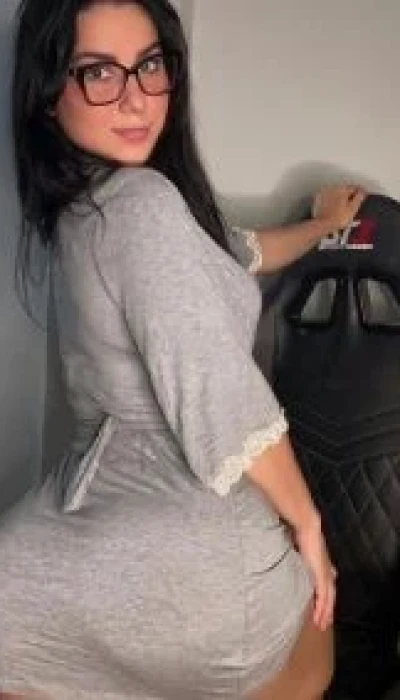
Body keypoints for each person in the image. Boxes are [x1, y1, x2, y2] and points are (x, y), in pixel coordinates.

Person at [0, 0, 363, 698]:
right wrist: (311, 527)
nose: (135, 97)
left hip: (184, 550)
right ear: (48, 95)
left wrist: (321, 227)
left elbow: (238, 252)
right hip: (201, 556)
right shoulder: (132, 205)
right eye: (98, 72)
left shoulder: (119, 204)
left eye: (149, 66)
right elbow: (227, 400)